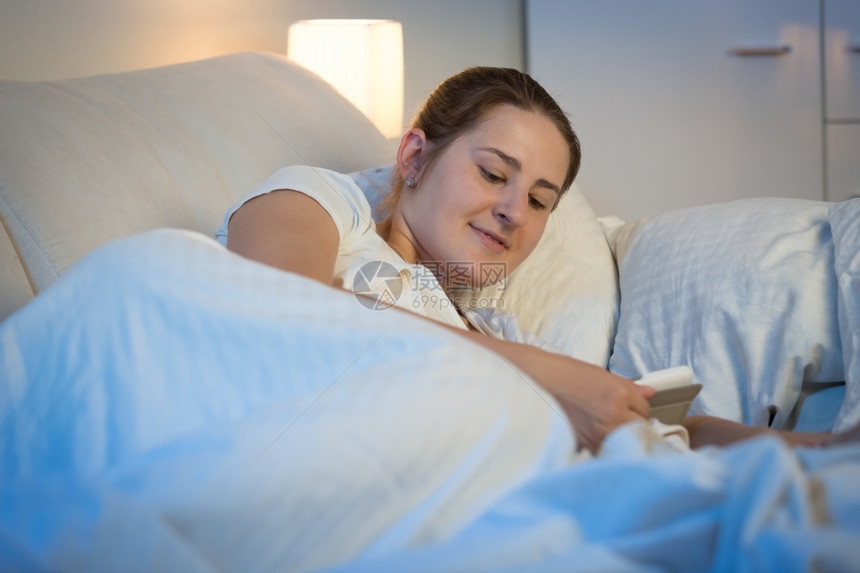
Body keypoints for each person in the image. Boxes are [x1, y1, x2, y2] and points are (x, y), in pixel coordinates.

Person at [218, 66, 845, 453]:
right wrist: (559, 378)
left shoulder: (494, 326)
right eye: (494, 173)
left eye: (540, 200)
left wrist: (808, 447)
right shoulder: (324, 201)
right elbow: (280, 311)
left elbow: (632, 426)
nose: (515, 212)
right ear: (413, 157)